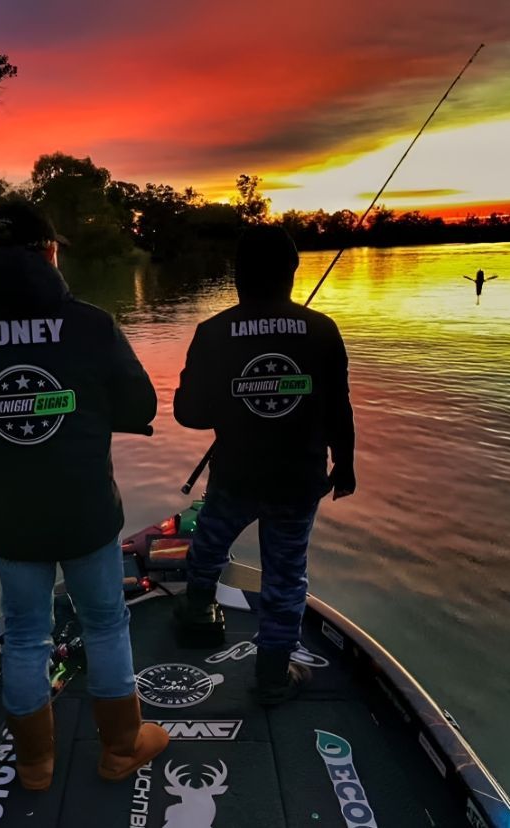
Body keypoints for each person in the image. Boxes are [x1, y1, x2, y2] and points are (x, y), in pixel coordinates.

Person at [0, 201, 168, 790]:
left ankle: (34, 764)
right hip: (84, 508)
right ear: (50, 252)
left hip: (8, 516)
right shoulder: (89, 324)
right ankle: (121, 748)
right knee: (105, 623)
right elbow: (141, 408)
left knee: (26, 631)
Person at [173, 225, 355, 706]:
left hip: (236, 475)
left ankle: (196, 615)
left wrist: (231, 403)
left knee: (209, 542)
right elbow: (340, 408)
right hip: (299, 481)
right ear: (293, 273)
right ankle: (273, 677)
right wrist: (347, 464)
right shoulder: (321, 330)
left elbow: (189, 413)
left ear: (237, 274)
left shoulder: (212, 332)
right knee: (286, 575)